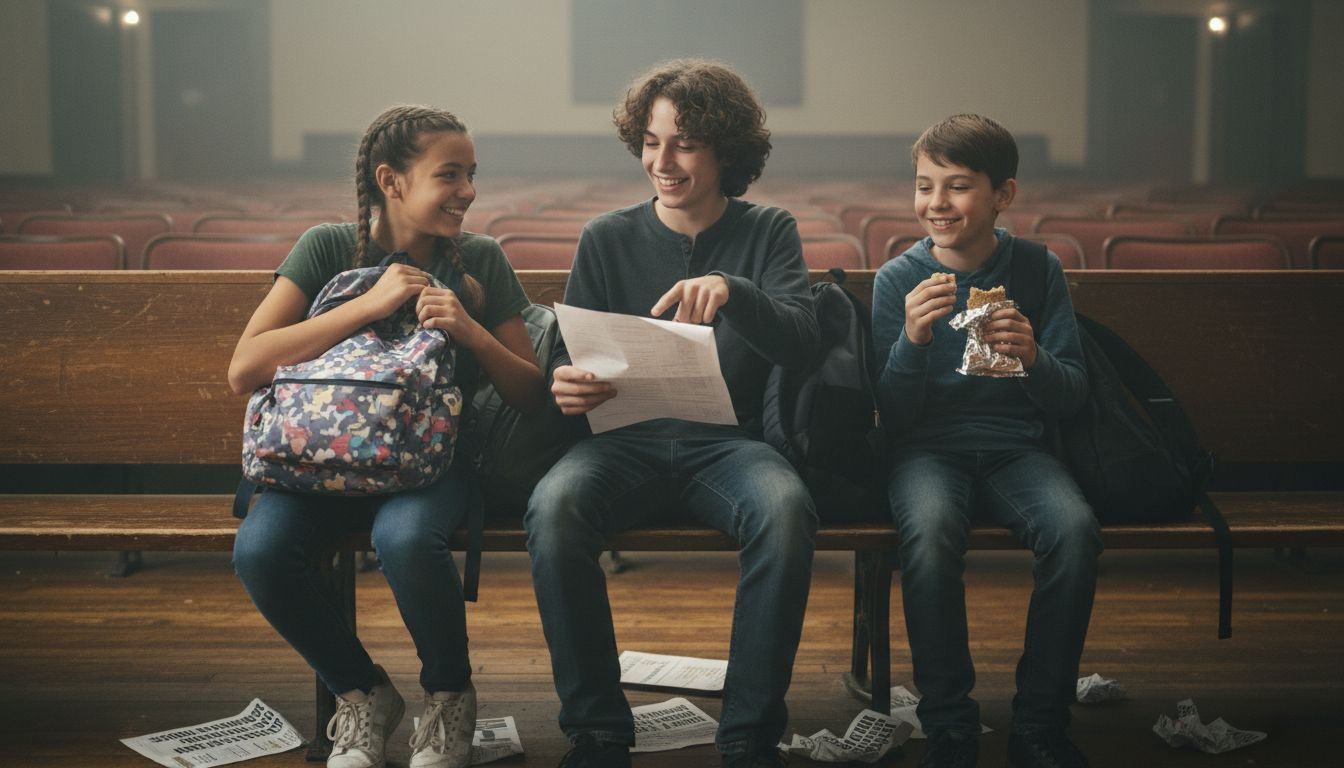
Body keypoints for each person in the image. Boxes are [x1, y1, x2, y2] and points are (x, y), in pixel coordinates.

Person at [228, 105, 544, 768]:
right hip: (317, 459)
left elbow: (532, 394)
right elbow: (245, 367)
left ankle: (450, 696)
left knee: (404, 538)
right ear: (391, 180)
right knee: (260, 551)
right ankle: (362, 693)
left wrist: (470, 328)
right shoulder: (325, 247)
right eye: (450, 174)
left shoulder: (479, 258)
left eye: (472, 175)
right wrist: (367, 305)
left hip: (429, 463)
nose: (469, 191)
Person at [524, 59, 819, 768]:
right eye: (652, 142)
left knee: (785, 512)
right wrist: (566, 383)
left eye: (684, 143)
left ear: (725, 150)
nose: (662, 161)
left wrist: (733, 290)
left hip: (730, 447)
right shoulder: (606, 236)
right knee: (553, 509)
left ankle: (748, 737)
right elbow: (568, 357)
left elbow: (804, 343)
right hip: (621, 443)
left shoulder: (770, 229)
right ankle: (597, 733)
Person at [871, 114, 1101, 768]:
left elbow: (1071, 395)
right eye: (924, 186)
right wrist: (912, 342)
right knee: (931, 534)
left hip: (1017, 450)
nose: (936, 204)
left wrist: (1034, 358)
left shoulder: (1035, 268)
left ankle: (1039, 725)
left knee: (1074, 531)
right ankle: (949, 724)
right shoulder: (898, 281)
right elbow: (890, 413)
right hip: (928, 453)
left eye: (957, 187)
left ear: (1003, 195)